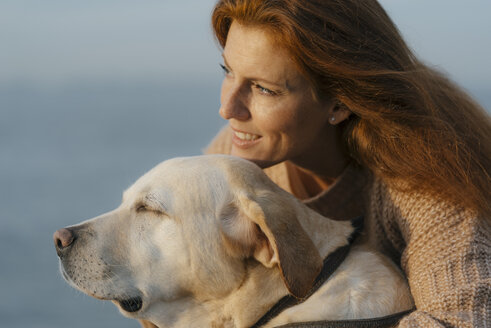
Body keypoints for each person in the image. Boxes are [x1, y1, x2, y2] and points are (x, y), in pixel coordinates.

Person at [204, 0, 491, 327]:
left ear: (340, 103)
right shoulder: (232, 156)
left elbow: (462, 321)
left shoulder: (429, 179)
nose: (227, 109)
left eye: (263, 89)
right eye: (228, 71)